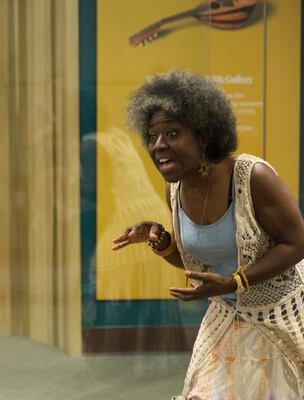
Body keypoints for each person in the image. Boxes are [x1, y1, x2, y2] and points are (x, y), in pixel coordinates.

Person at [112, 69, 304, 399]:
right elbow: (195, 261)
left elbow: (297, 242)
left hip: (281, 312)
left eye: (172, 133)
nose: (159, 145)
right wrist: (160, 240)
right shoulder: (175, 187)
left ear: (203, 136)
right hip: (228, 314)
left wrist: (236, 281)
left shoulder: (251, 176)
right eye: (152, 136)